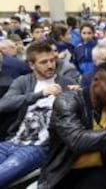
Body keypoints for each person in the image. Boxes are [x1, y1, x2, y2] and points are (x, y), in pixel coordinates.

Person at [0, 42, 75, 188]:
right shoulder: (23, 81)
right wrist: (40, 94)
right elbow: (3, 104)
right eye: (43, 62)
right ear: (32, 65)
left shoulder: (67, 83)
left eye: (52, 60)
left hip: (38, 147)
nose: (50, 65)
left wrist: (77, 96)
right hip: (12, 141)